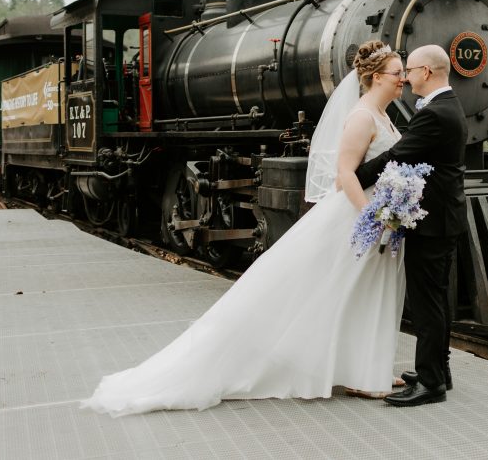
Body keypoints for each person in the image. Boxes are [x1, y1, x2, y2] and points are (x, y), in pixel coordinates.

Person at [82, 41, 408, 416]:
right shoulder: (362, 116)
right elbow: (343, 175)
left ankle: (368, 368)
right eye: (398, 73)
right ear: (376, 76)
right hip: (357, 219)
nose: (403, 79)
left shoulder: (383, 115)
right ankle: (359, 372)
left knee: (362, 291)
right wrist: (372, 215)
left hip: (374, 216)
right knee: (347, 291)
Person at [356, 45, 469, 407]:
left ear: (426, 72)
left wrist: (358, 175)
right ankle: (439, 371)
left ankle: (431, 383)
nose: (405, 77)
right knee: (437, 300)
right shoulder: (448, 105)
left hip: (433, 222)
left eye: (410, 70)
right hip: (443, 218)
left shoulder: (435, 112)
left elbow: (398, 155)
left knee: (427, 304)